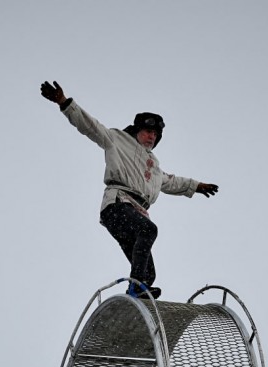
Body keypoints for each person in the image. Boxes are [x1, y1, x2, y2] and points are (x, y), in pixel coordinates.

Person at [40, 80, 219, 300]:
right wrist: (64, 103)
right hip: (118, 205)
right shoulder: (117, 140)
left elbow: (171, 182)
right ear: (137, 131)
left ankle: (135, 301)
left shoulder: (154, 166)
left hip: (135, 213)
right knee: (148, 230)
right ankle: (135, 289)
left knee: (148, 274)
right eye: (147, 131)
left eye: (155, 134)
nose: (151, 136)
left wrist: (196, 186)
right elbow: (90, 126)